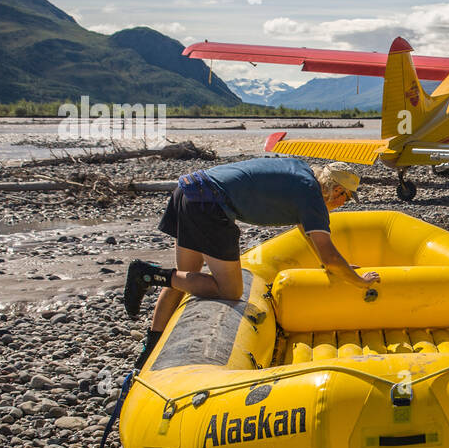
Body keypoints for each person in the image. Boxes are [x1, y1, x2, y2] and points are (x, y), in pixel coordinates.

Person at [123, 157, 378, 368]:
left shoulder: (301, 174)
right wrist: (358, 281)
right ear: (337, 190)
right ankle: (148, 275)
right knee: (230, 291)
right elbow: (329, 253)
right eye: (346, 198)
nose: (343, 204)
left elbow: (309, 235)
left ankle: (150, 347)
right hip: (210, 205)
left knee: (185, 277)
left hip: (189, 190)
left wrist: (330, 268)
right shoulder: (312, 196)